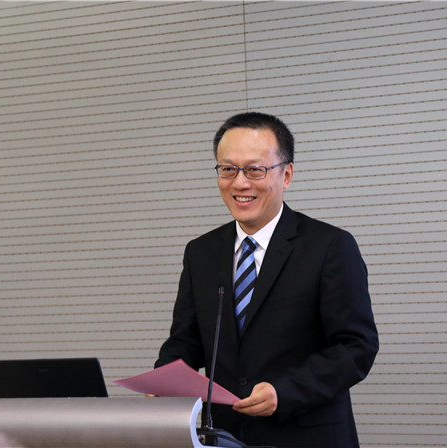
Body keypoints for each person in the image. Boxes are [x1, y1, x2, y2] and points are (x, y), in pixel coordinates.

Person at [155, 112, 378, 447]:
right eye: (228, 169)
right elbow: (186, 341)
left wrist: (284, 391)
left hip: (307, 436)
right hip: (224, 437)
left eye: (255, 170)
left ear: (286, 174)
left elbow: (356, 347)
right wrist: (164, 380)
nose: (240, 183)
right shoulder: (201, 252)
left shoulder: (329, 246)